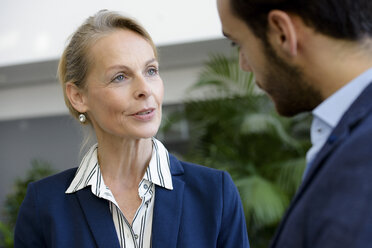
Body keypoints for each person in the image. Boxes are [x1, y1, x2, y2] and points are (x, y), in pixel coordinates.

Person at [14, 10, 249, 248]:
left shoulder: (214, 193)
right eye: (120, 77)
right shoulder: (43, 206)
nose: (145, 89)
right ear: (78, 96)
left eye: (151, 71)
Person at [217, 0, 372, 247]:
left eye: (239, 43)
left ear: (282, 32)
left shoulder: (362, 156)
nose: (243, 65)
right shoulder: (347, 137)